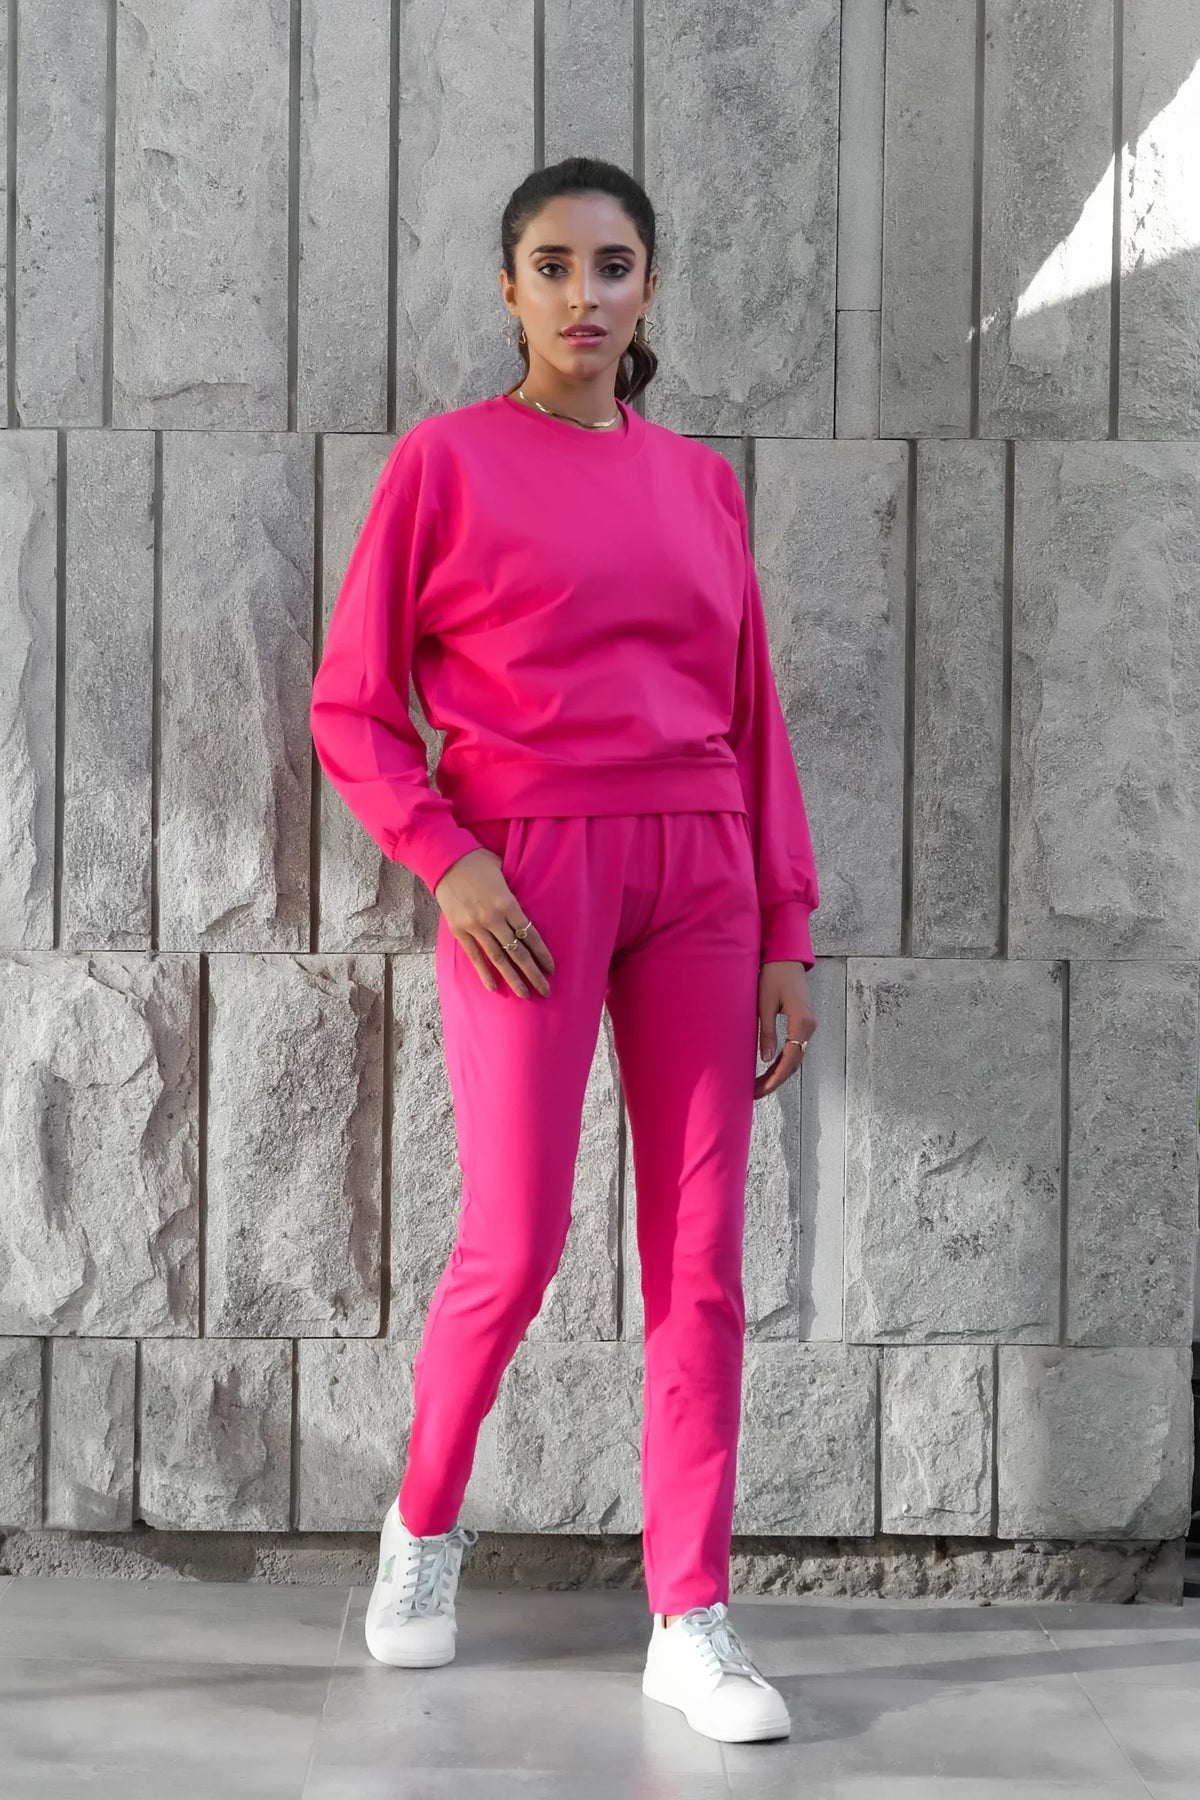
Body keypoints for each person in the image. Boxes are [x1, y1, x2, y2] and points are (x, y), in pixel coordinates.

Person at [309, 155, 820, 1746]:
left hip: (702, 876)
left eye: (612, 265)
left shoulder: (701, 483)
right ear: (510, 288)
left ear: (649, 287)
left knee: (701, 1258)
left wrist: (788, 924)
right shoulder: (446, 464)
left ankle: (690, 1616)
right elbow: (351, 704)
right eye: (553, 264)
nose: (584, 294)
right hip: (523, 882)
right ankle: (422, 1526)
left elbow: (753, 717)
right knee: (517, 1242)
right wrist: (448, 858)